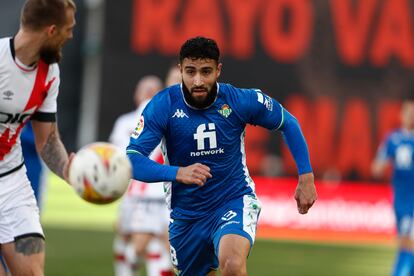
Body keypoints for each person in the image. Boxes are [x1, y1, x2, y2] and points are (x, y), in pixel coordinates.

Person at [126, 36, 317, 276]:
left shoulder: (238, 100)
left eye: (206, 71)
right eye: (190, 71)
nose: (198, 80)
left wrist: (306, 176)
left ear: (218, 70)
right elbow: (132, 159)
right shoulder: (163, 105)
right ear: (180, 70)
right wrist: (178, 173)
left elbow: (288, 122)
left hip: (232, 200)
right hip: (186, 215)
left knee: (233, 265)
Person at [0, 0, 75, 275]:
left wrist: (69, 170)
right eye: (68, 29)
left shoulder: (49, 74)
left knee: (32, 272)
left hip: (12, 186)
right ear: (52, 30)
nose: (70, 36)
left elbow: (47, 141)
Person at [110, 74, 176, 276]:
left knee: (156, 244)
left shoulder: (165, 112)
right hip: (145, 190)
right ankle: (127, 268)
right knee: (143, 243)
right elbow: (119, 155)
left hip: (157, 190)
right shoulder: (151, 112)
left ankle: (129, 267)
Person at [372, 99, 414, 276]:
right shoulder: (393, 139)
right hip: (402, 200)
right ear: (401, 115)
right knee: (406, 243)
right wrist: (382, 165)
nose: (410, 116)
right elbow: (376, 168)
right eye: (407, 113)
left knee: (409, 243)